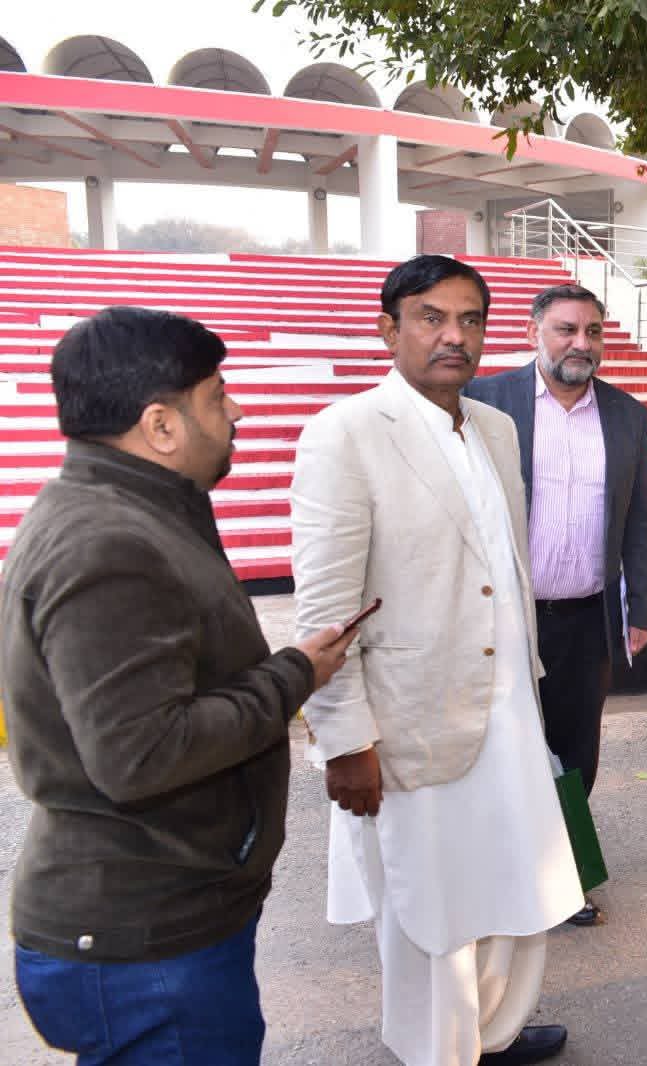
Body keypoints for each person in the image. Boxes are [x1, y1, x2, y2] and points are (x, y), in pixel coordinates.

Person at [2, 307, 355, 1064]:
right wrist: (295, 674)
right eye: (217, 396)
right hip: (146, 942)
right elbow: (143, 754)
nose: (237, 411)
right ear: (161, 426)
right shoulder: (110, 543)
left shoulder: (130, 512)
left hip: (157, 923)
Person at [292, 256, 583, 1066]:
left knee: (512, 884)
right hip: (411, 720)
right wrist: (345, 741)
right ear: (389, 329)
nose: (454, 336)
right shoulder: (346, 433)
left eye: (470, 319)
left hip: (508, 711)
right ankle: (438, 1053)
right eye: (431, 317)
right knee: (429, 911)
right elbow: (325, 614)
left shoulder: (496, 427)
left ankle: (490, 1035)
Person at [465, 282, 647, 926]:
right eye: (566, 330)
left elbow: (640, 519)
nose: (582, 343)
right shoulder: (484, 401)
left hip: (586, 618)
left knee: (576, 752)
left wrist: (640, 608)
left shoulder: (627, 415)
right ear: (533, 333)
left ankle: (563, 877)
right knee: (503, 747)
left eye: (593, 331)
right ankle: (499, 877)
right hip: (505, 618)